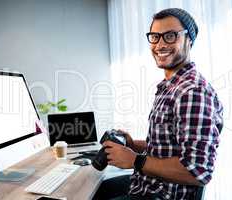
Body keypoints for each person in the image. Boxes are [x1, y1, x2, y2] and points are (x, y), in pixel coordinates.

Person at [93, 8, 223, 200]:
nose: (160, 44)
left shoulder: (192, 92)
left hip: (162, 194)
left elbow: (198, 171)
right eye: (155, 37)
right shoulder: (170, 86)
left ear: (189, 40)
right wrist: (132, 144)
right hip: (147, 183)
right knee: (96, 190)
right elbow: (170, 146)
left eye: (170, 36)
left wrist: (135, 160)